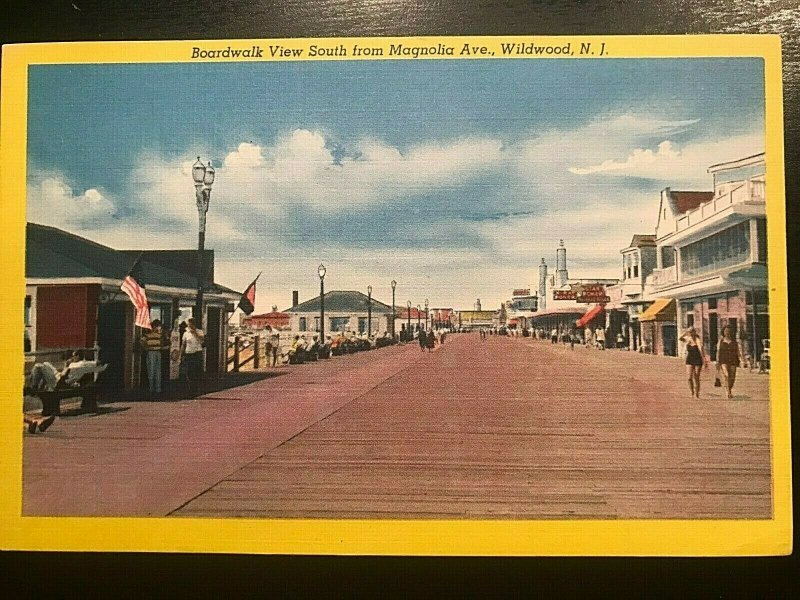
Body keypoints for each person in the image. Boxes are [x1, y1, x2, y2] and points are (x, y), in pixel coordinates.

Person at [717, 325, 745, 399]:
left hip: (733, 360)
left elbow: (738, 351)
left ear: (731, 332)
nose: (727, 333)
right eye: (725, 331)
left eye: (728, 331)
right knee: (726, 375)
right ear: (723, 332)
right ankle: (728, 393)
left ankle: (729, 389)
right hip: (723, 360)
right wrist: (717, 361)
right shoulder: (721, 341)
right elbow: (718, 351)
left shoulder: (734, 342)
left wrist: (742, 360)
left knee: (732, 377)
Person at [680, 327, 707, 398]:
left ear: (695, 332)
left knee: (696, 377)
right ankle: (692, 391)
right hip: (689, 359)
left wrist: (704, 361)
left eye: (692, 332)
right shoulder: (687, 339)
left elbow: (702, 351)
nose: (691, 333)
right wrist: (686, 332)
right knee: (689, 377)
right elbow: (680, 338)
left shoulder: (698, 340)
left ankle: (697, 393)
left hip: (698, 359)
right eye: (690, 332)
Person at [181, 317, 205, 396]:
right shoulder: (186, 333)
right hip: (189, 353)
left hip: (197, 353)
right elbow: (183, 344)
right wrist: (182, 354)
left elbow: (201, 341)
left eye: (191, 325)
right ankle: (190, 389)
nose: (189, 327)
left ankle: (196, 389)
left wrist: (194, 333)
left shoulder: (199, 331)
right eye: (188, 325)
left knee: (196, 372)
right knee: (189, 372)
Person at [142, 319, 166, 395]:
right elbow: (162, 345)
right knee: (157, 370)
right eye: (158, 326)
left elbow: (143, 343)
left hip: (151, 353)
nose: (159, 328)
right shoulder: (159, 336)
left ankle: (151, 388)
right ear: (155, 326)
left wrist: (146, 347)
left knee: (151, 370)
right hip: (157, 353)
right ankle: (157, 388)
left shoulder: (147, 335)